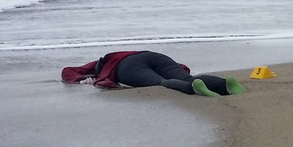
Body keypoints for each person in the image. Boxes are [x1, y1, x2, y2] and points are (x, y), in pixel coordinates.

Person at [62, 50, 246, 96]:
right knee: (186, 76)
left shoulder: (102, 63)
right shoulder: (126, 52)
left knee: (159, 82)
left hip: (127, 67)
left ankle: (193, 89)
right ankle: (225, 85)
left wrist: (82, 79)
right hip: (154, 56)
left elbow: (67, 71)